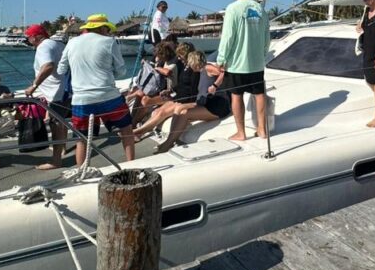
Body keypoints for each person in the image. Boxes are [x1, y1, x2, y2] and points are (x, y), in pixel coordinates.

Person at [56, 13, 135, 165]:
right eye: (107, 29)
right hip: (108, 96)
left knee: (81, 139)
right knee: (126, 129)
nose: (109, 32)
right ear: (102, 28)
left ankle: (82, 172)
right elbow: (121, 71)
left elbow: (61, 70)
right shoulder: (109, 42)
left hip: (81, 99)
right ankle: (131, 164)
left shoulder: (72, 43)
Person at [134, 52, 231, 152]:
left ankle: (168, 144)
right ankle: (169, 139)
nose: (188, 65)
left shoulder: (208, 68)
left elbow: (224, 73)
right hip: (205, 103)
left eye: (189, 63)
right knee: (178, 109)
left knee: (184, 113)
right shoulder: (201, 71)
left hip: (217, 107)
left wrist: (215, 86)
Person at [216, 0, 271, 141]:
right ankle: (262, 129)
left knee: (236, 95)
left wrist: (221, 59)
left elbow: (228, 37)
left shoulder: (232, 9)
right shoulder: (260, 8)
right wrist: (262, 54)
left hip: (237, 64)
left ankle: (241, 132)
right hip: (256, 63)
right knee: (259, 94)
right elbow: (267, 36)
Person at [23, 23, 72, 170]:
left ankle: (56, 161)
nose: (28, 40)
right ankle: (62, 148)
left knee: (55, 123)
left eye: (29, 37)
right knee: (61, 121)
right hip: (66, 88)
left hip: (57, 92)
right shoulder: (57, 44)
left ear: (37, 37)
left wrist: (34, 85)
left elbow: (48, 66)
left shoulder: (43, 47)